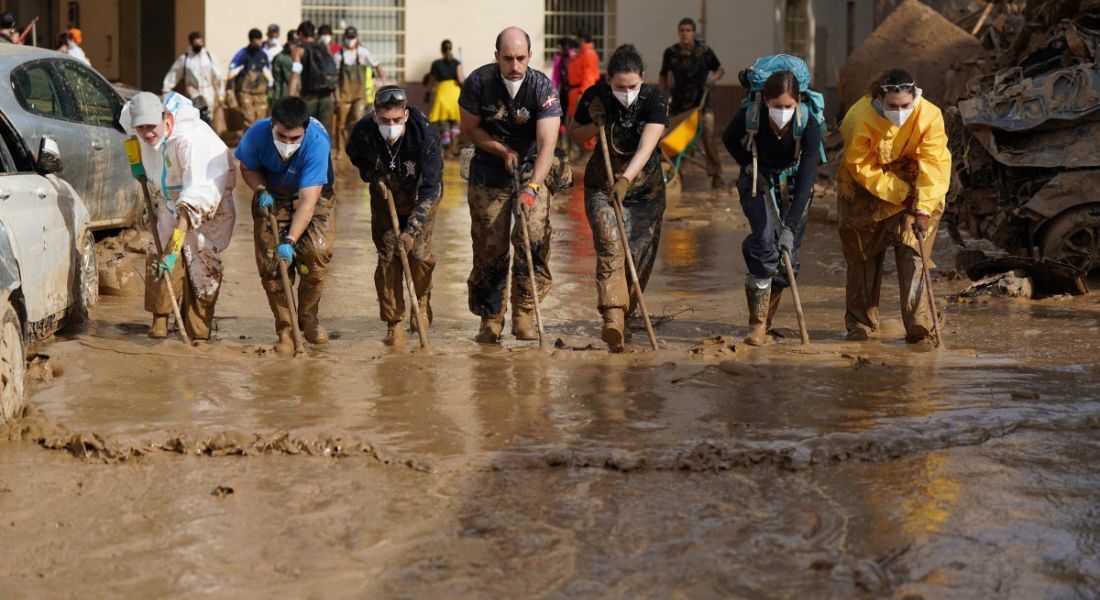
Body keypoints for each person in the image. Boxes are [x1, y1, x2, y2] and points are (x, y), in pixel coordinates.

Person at [459, 26, 562, 343]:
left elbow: (547, 145)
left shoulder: (542, 88)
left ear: (530, 56)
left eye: (521, 58)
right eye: (508, 59)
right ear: (496, 57)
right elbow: (471, 130)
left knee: (532, 238)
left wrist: (532, 188)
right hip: (489, 170)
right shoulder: (478, 82)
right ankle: (491, 318)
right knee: (489, 246)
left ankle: (524, 314)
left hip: (532, 170)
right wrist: (501, 150)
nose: (515, 66)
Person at [837, 69, 951, 344]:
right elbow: (862, 166)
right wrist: (901, 194)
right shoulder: (858, 118)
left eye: (905, 106)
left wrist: (922, 207)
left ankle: (920, 326)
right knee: (863, 256)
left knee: (915, 252)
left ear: (915, 98)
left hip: (917, 184)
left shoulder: (930, 115)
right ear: (880, 99)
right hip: (865, 189)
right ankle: (860, 325)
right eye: (892, 106)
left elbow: (935, 165)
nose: (900, 111)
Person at [569, 44, 669, 352]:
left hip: (645, 189)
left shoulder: (654, 99)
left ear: (643, 78)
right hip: (601, 185)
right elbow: (574, 133)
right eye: (619, 87)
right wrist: (592, 121)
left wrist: (626, 179)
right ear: (608, 79)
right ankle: (612, 316)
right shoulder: (595, 97)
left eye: (632, 86)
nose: (626, 92)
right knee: (610, 246)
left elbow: (647, 146)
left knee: (638, 256)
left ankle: (628, 312)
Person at [119, 92, 236, 341]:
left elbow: (195, 199)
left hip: (209, 204)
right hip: (170, 200)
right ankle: (160, 320)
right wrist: (135, 157)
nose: (147, 133)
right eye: (140, 128)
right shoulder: (136, 123)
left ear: (166, 118)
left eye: (151, 127)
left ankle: (197, 327)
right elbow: (127, 123)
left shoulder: (192, 142)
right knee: (158, 253)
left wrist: (176, 248)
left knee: (202, 263)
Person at [722, 71, 822, 345]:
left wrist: (790, 227)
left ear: (798, 102)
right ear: (765, 101)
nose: (782, 112)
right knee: (766, 241)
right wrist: (747, 163)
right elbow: (729, 140)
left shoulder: (809, 125)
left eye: (788, 106)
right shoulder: (749, 117)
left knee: (788, 258)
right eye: (776, 106)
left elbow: (806, 181)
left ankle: (767, 320)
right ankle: (756, 325)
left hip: (793, 184)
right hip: (757, 179)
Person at [235, 96, 337, 353]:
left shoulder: (317, 143)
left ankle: (308, 315)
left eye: (294, 139)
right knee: (271, 262)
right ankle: (285, 327)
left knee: (317, 252)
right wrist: (260, 189)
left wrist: (290, 241)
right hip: (272, 191)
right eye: (281, 137)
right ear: (272, 125)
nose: (287, 144)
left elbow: (307, 203)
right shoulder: (256, 135)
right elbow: (247, 168)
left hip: (314, 193)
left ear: (305, 131)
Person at [346, 86, 443, 345]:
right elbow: (354, 155)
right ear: (375, 115)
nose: (391, 126)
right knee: (388, 259)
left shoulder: (425, 135)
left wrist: (412, 230)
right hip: (385, 201)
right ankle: (394, 321)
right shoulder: (364, 131)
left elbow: (432, 188)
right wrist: (372, 175)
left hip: (418, 202)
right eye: (385, 121)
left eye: (397, 121)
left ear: (406, 115)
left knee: (419, 257)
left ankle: (420, 302)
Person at [660, 17, 725, 189]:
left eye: (688, 30)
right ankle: (673, 172)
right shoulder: (671, 53)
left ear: (693, 33)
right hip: (678, 107)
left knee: (708, 136)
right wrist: (662, 95)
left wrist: (713, 77)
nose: (684, 34)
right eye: (682, 30)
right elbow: (663, 74)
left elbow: (720, 69)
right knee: (670, 139)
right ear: (678, 33)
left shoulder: (704, 51)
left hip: (701, 106)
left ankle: (716, 174)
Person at [333, 26, 384, 157]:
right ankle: (340, 150)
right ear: (343, 38)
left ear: (356, 38)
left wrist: (383, 81)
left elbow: (377, 65)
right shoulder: (339, 55)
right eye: (348, 37)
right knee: (340, 124)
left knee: (358, 121)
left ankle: (357, 148)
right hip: (344, 94)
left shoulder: (363, 52)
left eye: (352, 37)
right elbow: (334, 76)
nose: (350, 40)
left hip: (359, 95)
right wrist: (335, 95)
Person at [162, 31, 224, 126]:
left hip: (209, 90)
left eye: (200, 43)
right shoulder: (186, 59)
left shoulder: (209, 56)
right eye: (196, 44)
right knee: (196, 113)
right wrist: (166, 90)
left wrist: (220, 93)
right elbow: (174, 73)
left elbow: (218, 75)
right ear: (191, 44)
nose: (199, 46)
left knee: (209, 115)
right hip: (193, 91)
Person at [290, 21, 338, 139]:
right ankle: (324, 156)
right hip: (327, 96)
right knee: (324, 131)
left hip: (309, 96)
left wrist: (291, 97)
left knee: (306, 131)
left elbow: (295, 73)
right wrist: (337, 97)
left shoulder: (299, 50)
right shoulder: (325, 48)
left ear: (301, 34)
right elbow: (332, 71)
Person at [227, 28, 273, 128]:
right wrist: (229, 89)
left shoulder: (263, 55)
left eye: (259, 41)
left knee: (262, 121)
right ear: (251, 41)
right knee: (249, 119)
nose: (258, 44)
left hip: (260, 94)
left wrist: (269, 89)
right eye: (256, 41)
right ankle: (249, 142)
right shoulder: (242, 54)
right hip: (245, 93)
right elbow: (232, 72)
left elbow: (268, 74)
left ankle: (261, 142)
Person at [426, 39, 463, 148]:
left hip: (442, 92)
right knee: (455, 117)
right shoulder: (457, 63)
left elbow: (432, 80)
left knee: (443, 118)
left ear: (441, 50)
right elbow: (460, 80)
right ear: (451, 48)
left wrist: (428, 93)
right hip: (455, 92)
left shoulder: (436, 64)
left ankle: (445, 136)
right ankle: (455, 133)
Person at [567, 31, 599, 124]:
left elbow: (589, 77)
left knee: (583, 124)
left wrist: (583, 94)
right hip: (574, 92)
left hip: (580, 92)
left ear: (582, 39)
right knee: (576, 125)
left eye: (576, 39)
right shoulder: (581, 54)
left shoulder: (589, 54)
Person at [271, 29, 298, 102]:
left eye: (296, 43)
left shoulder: (302, 54)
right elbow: (277, 81)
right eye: (292, 43)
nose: (294, 46)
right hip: (286, 94)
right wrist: (277, 99)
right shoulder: (280, 58)